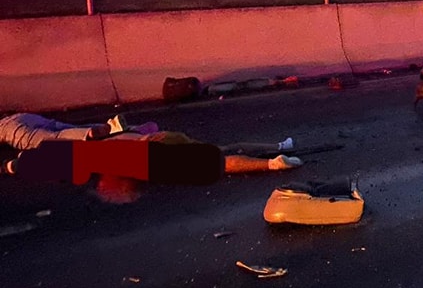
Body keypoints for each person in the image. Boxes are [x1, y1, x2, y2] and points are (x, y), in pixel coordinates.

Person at [0, 113, 300, 176]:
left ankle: (272, 162)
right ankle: (279, 145)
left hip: (147, 150)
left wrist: (13, 166)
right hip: (154, 138)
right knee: (220, 148)